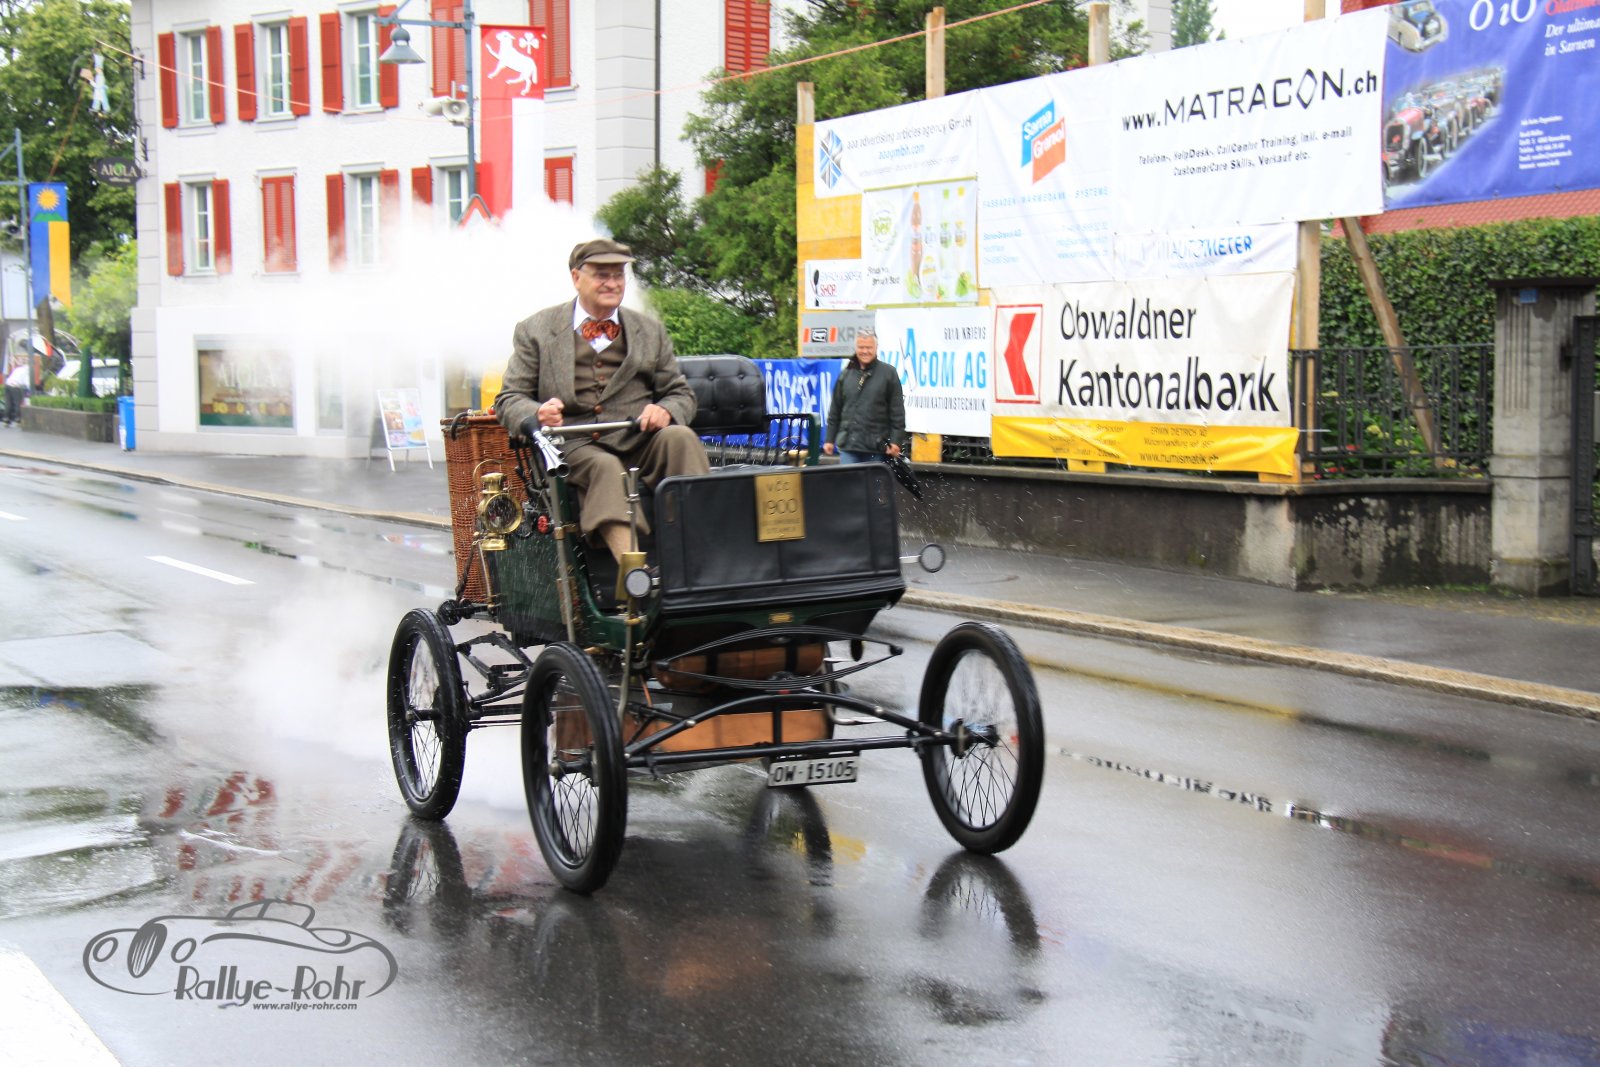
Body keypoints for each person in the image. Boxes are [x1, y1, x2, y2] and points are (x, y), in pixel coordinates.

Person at [495, 238, 709, 563]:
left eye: (618, 275)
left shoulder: (650, 330)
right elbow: (509, 399)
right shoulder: (535, 330)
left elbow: (681, 394)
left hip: (638, 439)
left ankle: (697, 560)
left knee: (680, 438)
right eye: (601, 275)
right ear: (576, 277)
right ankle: (634, 573)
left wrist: (665, 409)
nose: (612, 283)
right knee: (605, 466)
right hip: (573, 446)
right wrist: (537, 413)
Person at [823, 330, 906, 465]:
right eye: (861, 347)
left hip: (877, 448)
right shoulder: (845, 374)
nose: (865, 351)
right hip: (848, 446)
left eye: (869, 347)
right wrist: (829, 439)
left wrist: (896, 441)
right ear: (856, 348)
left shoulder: (889, 373)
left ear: (876, 348)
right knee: (849, 479)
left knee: (873, 481)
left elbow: (897, 412)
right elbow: (835, 410)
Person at [3, 355, 30, 426]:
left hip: (7, 385)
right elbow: (26, 382)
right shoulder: (27, 371)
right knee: (17, 403)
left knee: (8, 402)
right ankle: (17, 419)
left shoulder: (18, 369)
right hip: (15, 386)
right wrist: (29, 389)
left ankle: (6, 419)